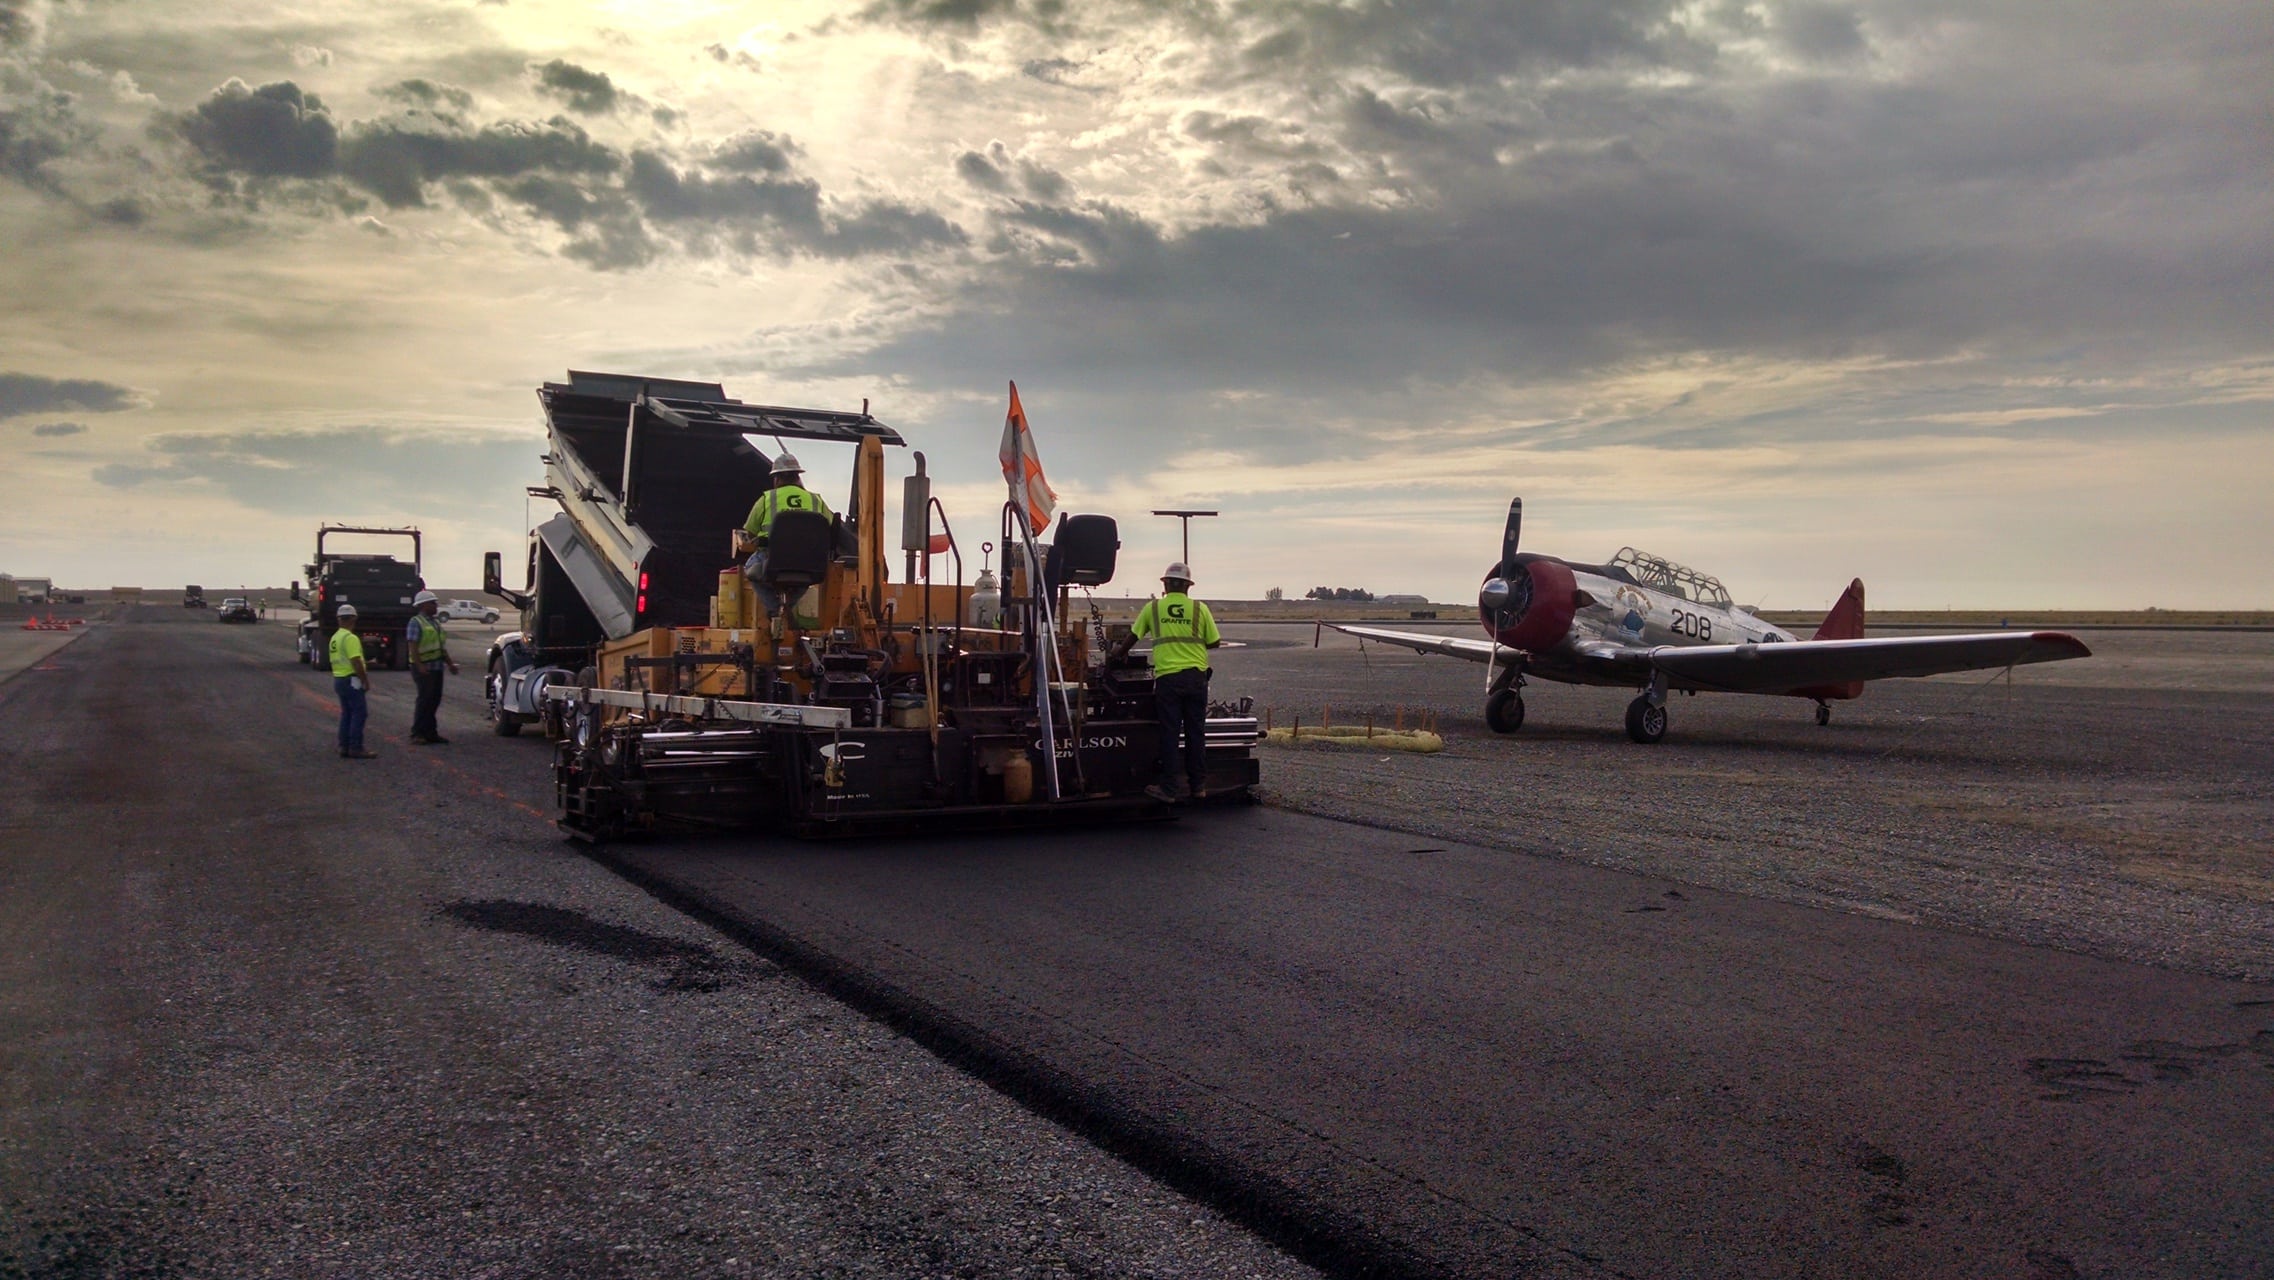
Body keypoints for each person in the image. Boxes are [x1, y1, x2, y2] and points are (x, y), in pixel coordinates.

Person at [1111, 562, 1221, 803]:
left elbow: (1132, 637)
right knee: (1196, 733)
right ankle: (1198, 785)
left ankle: (1169, 788)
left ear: (1165, 584)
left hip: (1168, 680)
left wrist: (1116, 656)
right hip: (1196, 678)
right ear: (1187, 587)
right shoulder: (1199, 609)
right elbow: (1214, 642)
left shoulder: (1153, 608)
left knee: (1170, 733)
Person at [741, 452, 834, 622]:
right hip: (809, 565)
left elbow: (751, 532)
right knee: (803, 580)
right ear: (798, 477)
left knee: (751, 568)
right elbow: (831, 528)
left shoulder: (767, 499)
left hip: (774, 561)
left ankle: (775, 610)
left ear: (776, 479)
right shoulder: (816, 500)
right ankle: (788, 607)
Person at [405, 590, 459, 745]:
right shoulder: (416, 622)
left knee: (434, 700)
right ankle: (417, 733)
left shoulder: (434, 623)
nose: (436, 606)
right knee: (424, 700)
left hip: (436, 667)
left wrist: (450, 664)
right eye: (432, 603)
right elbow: (413, 646)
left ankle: (430, 732)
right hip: (424, 668)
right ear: (423, 605)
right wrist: (419, 665)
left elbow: (441, 647)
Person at [329, 604, 376, 759]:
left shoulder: (335, 637)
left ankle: (344, 746)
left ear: (339, 619)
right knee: (359, 713)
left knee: (347, 713)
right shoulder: (350, 638)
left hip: (339, 678)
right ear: (354, 619)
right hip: (351, 679)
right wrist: (365, 680)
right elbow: (355, 661)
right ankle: (356, 747)